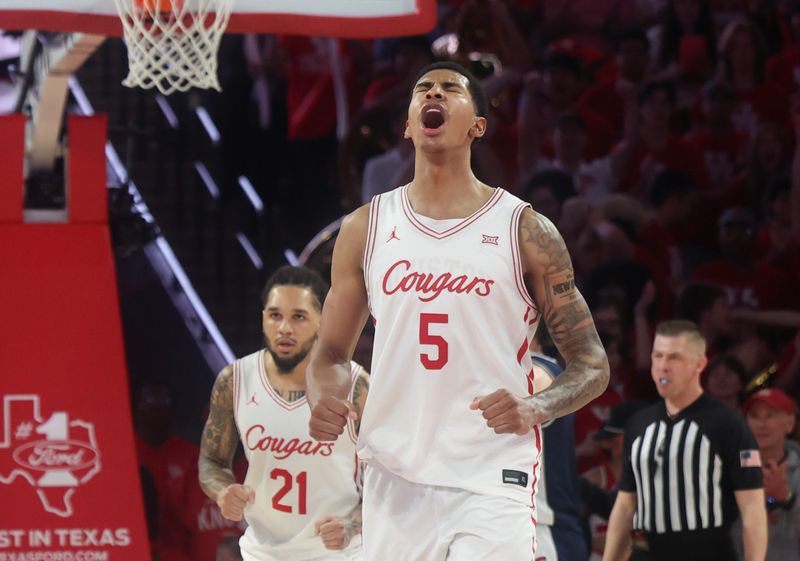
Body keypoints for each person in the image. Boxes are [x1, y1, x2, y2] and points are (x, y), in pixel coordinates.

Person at [306, 60, 610, 561]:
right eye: (423, 88)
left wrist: (536, 407)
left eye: (451, 88)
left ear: (477, 126)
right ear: (407, 123)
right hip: (393, 471)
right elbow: (332, 354)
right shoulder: (365, 228)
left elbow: (592, 364)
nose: (435, 93)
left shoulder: (526, 231)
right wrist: (325, 398)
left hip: (491, 470)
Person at [198, 266, 368, 561]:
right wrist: (223, 491)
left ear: (322, 321)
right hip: (262, 553)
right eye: (275, 315)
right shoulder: (234, 380)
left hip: (339, 554)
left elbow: (391, 480)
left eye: (298, 317)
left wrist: (353, 524)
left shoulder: (355, 385)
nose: (284, 328)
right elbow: (212, 460)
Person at [602, 320, 767, 561]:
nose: (662, 366)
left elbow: (753, 509)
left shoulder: (728, 425)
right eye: (657, 356)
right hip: (645, 551)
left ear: (699, 364)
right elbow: (626, 506)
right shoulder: (638, 424)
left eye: (674, 358)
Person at [735, 388, 800, 561]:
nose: (762, 424)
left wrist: (787, 499)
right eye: (755, 416)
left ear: (790, 423)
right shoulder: (727, 469)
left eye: (770, 416)